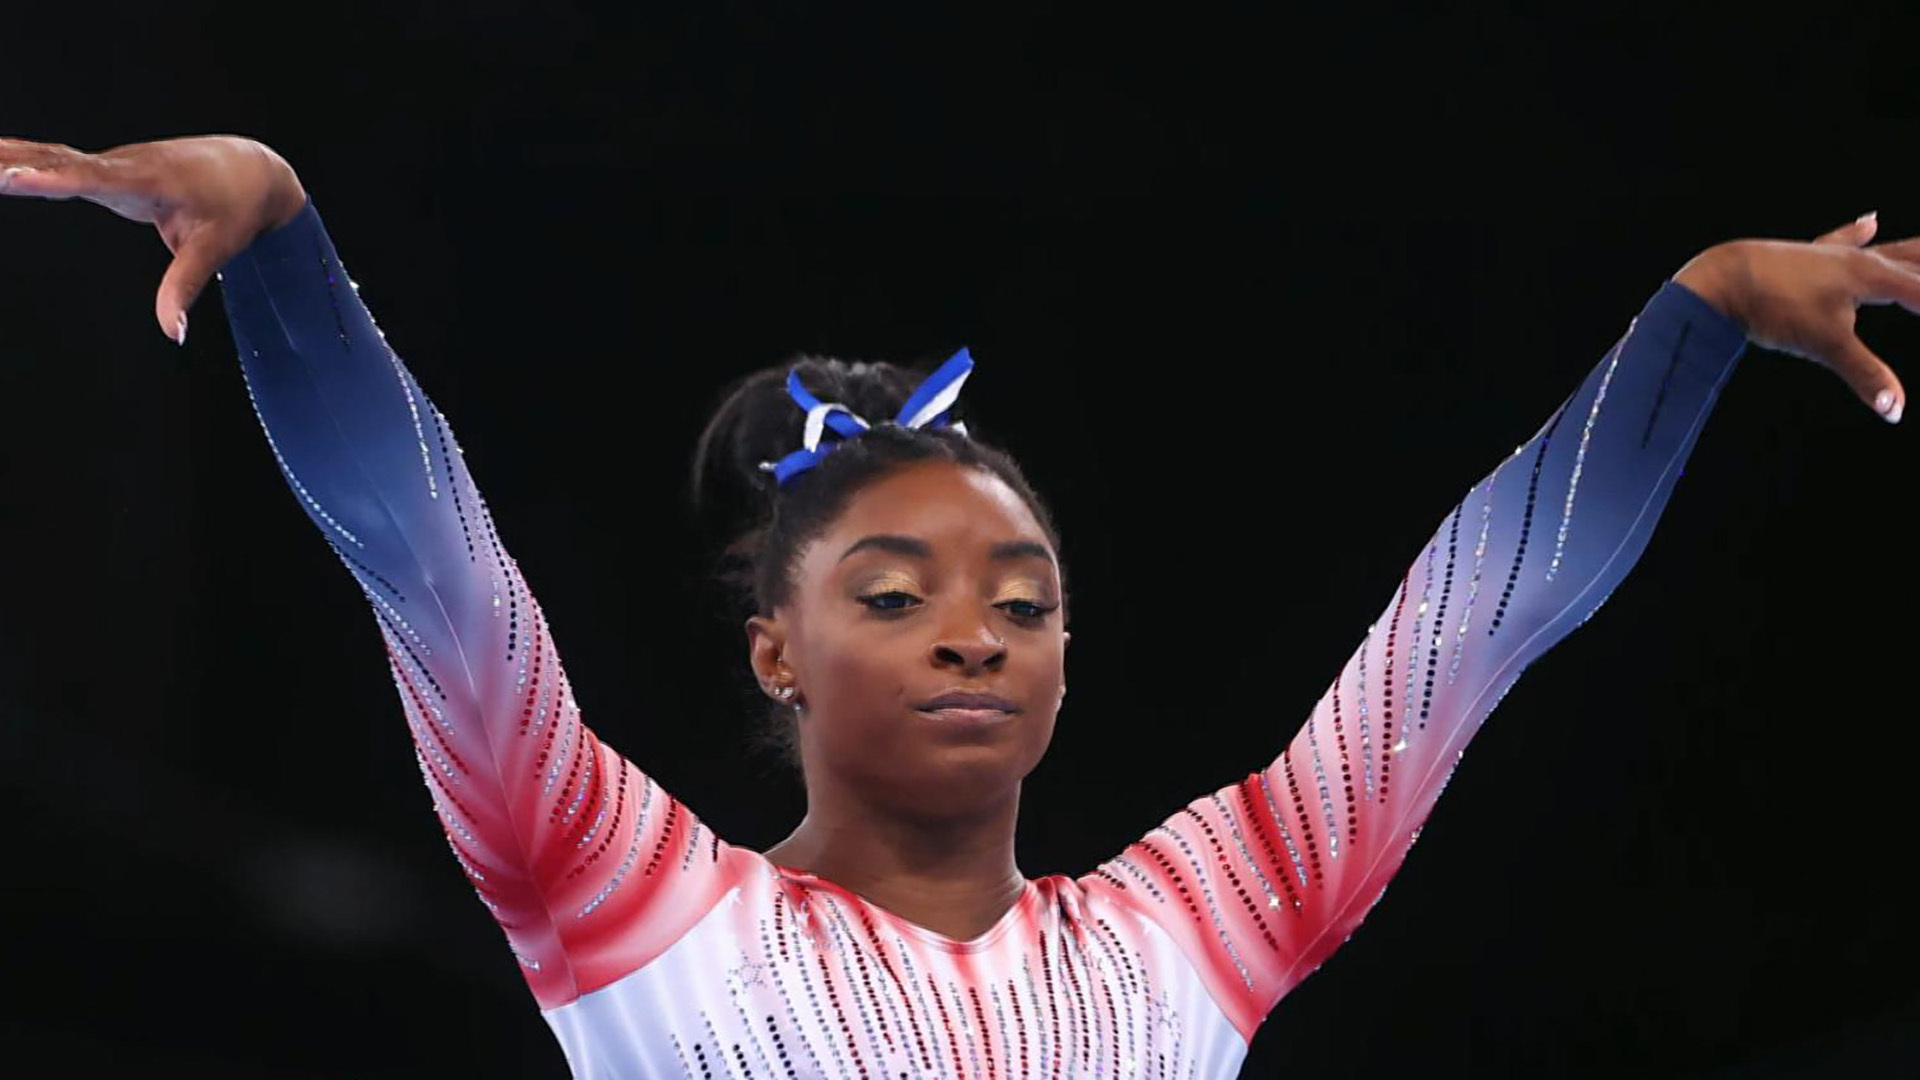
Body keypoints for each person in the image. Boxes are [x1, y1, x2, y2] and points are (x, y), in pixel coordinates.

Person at [1, 133, 1910, 1079]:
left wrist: (1705, 316)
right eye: (897, 594)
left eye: (1024, 599)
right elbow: (429, 565)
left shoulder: (1199, 927)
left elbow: (1479, 619)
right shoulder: (624, 893)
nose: (972, 631)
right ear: (776, 651)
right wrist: (282, 241)